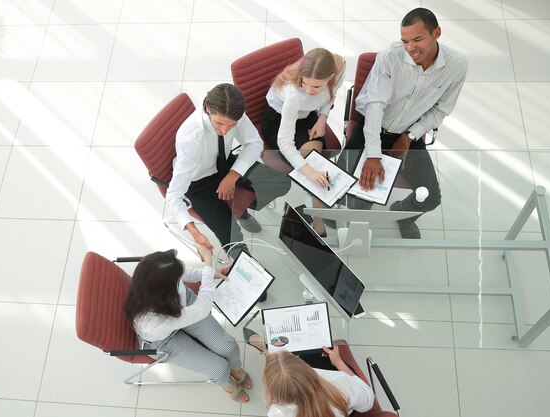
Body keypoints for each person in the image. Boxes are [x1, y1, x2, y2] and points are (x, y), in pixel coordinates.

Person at [346, 7, 468, 238]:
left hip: (410, 131)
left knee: (431, 198)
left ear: (437, 33)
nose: (410, 48)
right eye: (405, 41)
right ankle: (349, 217)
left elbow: (441, 109)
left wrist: (409, 136)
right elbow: (375, 106)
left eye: (417, 39)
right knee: (353, 190)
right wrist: (373, 154)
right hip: (373, 125)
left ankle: (402, 212)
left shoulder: (457, 66)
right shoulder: (390, 56)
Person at [165, 83, 291, 259]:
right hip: (198, 184)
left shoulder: (233, 112)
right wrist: (195, 233)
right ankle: (251, 276)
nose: (224, 131)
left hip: (225, 166)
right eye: (220, 124)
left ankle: (240, 211)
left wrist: (232, 176)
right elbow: (173, 195)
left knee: (281, 184)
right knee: (233, 238)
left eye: (231, 126)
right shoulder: (191, 140)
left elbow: (254, 143)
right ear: (207, 109)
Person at [124, 247, 252, 402]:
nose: (180, 279)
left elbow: (183, 272)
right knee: (219, 368)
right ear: (167, 291)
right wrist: (208, 265)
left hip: (182, 306)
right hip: (163, 342)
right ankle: (225, 382)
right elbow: (202, 308)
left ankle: (236, 369)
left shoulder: (153, 277)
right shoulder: (152, 321)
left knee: (229, 347)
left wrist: (210, 274)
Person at [261, 48, 346, 236]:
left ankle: (318, 214)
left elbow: (332, 93)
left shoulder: (339, 67)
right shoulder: (293, 94)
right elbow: (285, 143)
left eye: (316, 87)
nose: (310, 90)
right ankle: (319, 223)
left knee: (317, 164)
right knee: (313, 168)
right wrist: (310, 172)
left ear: (331, 76)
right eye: (305, 83)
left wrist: (322, 118)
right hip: (278, 118)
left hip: (306, 115)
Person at [263, 348, 374, 417]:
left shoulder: (276, 413)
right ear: (305, 366)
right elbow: (367, 403)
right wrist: (338, 362)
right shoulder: (339, 381)